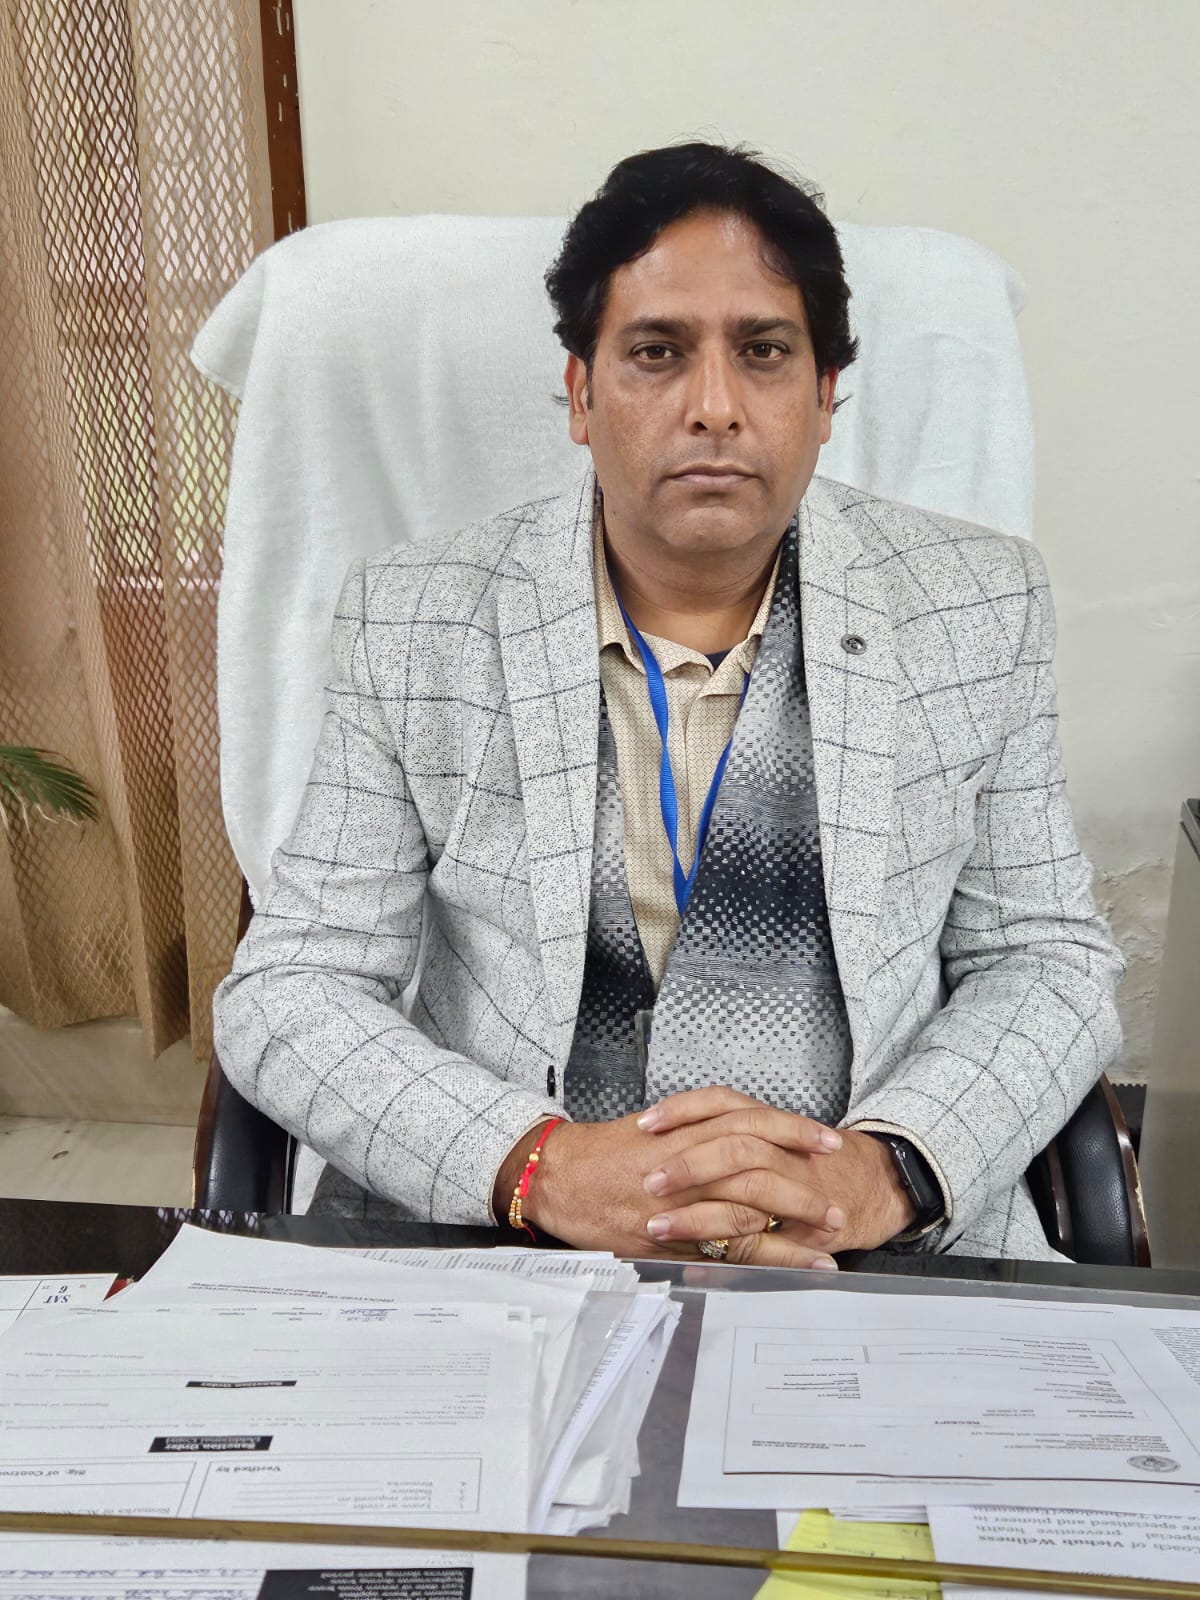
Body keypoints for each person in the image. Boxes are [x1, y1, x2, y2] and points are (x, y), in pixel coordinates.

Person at [213, 142, 1124, 1266]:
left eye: (764, 352)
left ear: (826, 396)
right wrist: (536, 1166)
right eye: (657, 352)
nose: (714, 408)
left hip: (869, 1252)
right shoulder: (415, 617)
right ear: (581, 394)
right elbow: (294, 986)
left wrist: (887, 1173)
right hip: (513, 1246)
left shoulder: (977, 604)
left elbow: (1044, 959)